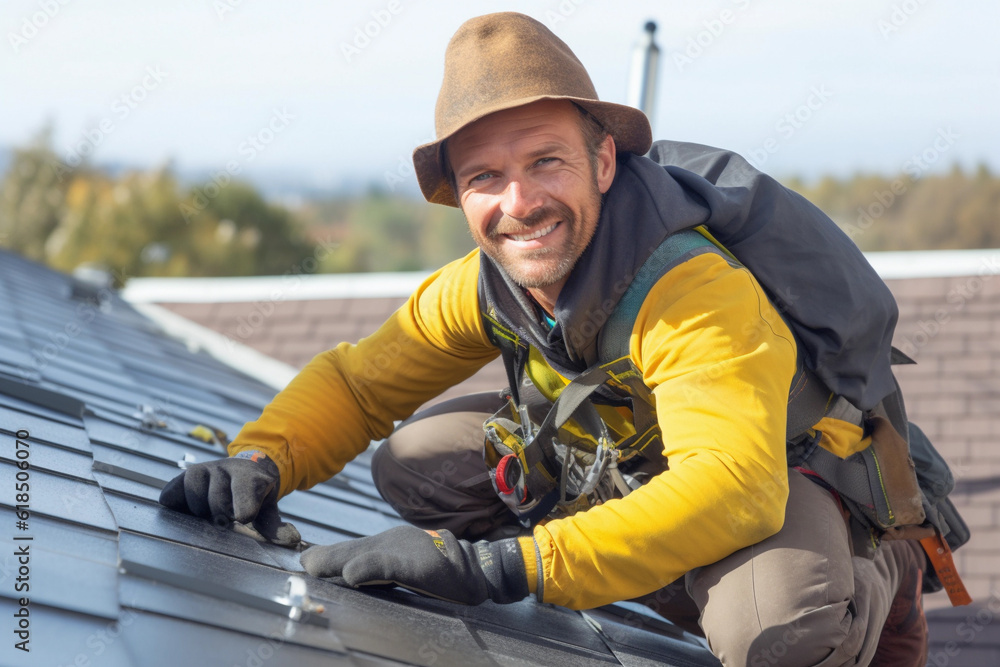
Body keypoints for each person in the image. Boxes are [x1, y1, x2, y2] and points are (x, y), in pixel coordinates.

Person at [160, 12, 937, 666]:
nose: (518, 202)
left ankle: (877, 573)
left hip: (778, 463)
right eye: (484, 178)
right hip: (644, 452)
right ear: (460, 194)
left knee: (773, 629)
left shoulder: (693, 293)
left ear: (604, 160)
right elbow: (361, 384)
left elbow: (733, 484)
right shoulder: (488, 280)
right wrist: (259, 459)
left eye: (545, 162)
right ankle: (643, 555)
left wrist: (503, 567)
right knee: (414, 466)